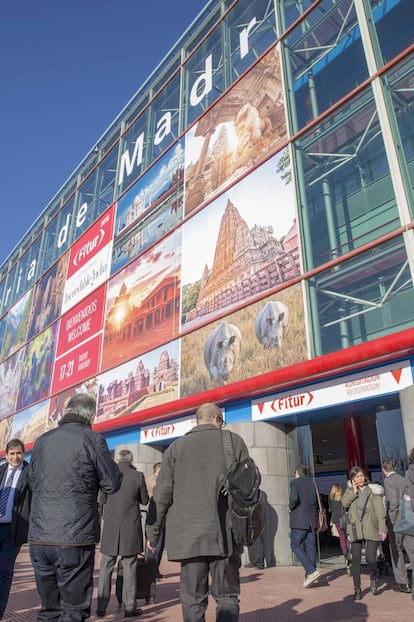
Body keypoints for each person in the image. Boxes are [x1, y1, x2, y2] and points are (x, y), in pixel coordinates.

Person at [146, 402, 250, 621]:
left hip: (189, 537)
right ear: (216, 419)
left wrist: (153, 533)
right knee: (227, 596)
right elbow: (248, 487)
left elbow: (161, 494)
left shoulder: (176, 447)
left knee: (193, 599)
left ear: (198, 420)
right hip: (226, 536)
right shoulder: (233, 442)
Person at [28, 393, 123, 622]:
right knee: (73, 610)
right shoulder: (91, 439)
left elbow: (32, 481)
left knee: (48, 610)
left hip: (40, 538)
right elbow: (112, 483)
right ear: (90, 416)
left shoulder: (42, 440)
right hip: (74, 538)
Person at [96, 449, 149, 618]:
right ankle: (129, 607)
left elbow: (101, 500)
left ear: (117, 460)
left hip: (111, 527)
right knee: (130, 566)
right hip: (130, 527)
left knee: (106, 566)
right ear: (131, 459)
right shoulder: (138, 476)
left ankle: (101, 607)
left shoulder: (108, 475)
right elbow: (145, 500)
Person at [342, 466, 387, 600]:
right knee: (355, 559)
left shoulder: (373, 492)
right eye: (356, 477)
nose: (359, 479)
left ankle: (373, 578)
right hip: (355, 529)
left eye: (361, 476)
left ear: (365, 477)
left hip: (371, 527)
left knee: (370, 558)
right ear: (352, 479)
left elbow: (380, 512)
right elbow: (344, 503)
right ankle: (357, 588)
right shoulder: (350, 491)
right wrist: (353, 492)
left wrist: (382, 529)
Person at [0, 439, 31, 619]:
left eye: (18, 453)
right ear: (6, 455)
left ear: (23, 454)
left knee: (4, 571)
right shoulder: (1, 470)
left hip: (13, 530)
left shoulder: (29, 472)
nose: (15, 457)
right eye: (11, 453)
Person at [288, 465, 320, 588]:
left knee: (295, 545)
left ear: (298, 473)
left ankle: (311, 571)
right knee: (310, 547)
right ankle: (310, 575)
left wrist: (290, 507)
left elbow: (294, 499)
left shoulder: (295, 483)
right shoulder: (313, 483)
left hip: (299, 521)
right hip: (312, 520)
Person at [382, 458, 411, 593]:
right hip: (408, 519)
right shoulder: (404, 479)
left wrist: (392, 521)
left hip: (397, 521)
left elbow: (393, 503)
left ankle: (402, 582)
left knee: (396, 551)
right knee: (410, 549)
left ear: (384, 470)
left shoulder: (388, 481)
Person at [146, 462, 165, 579]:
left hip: (164, 516)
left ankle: (155, 569)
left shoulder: (164, 481)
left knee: (161, 545)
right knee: (154, 544)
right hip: (154, 515)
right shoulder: (150, 480)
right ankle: (150, 570)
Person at [328, 483, 348, 562]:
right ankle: (349, 552)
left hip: (336, 519)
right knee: (347, 536)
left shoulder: (330, 498)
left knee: (342, 537)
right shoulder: (342, 498)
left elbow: (331, 509)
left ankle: (345, 554)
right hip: (344, 518)